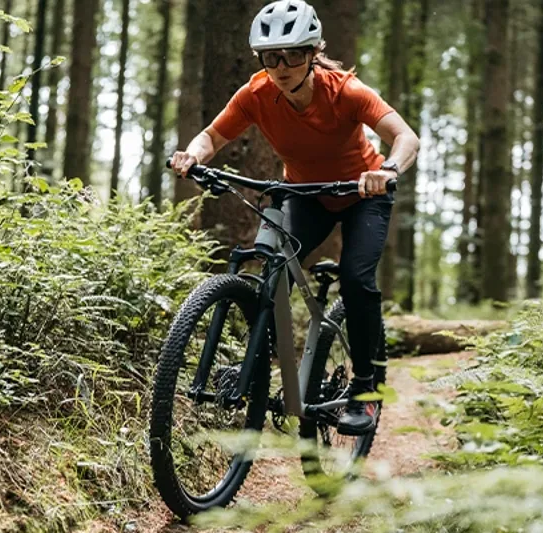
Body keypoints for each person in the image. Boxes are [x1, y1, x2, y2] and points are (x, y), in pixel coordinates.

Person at [170, 0, 419, 436]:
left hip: (363, 194)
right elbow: (212, 136)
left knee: (357, 278)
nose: (282, 66)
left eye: (293, 55)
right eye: (271, 57)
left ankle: (365, 388)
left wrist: (388, 171)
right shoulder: (256, 94)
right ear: (261, 60)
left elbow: (405, 136)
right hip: (305, 194)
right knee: (271, 267)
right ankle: (260, 367)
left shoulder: (345, 91)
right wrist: (193, 155)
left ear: (312, 53)